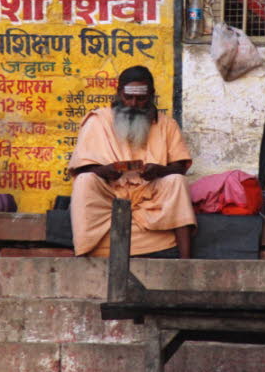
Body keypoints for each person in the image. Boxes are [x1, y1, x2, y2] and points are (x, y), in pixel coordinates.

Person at [68, 65, 196, 258]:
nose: (134, 103)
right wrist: (105, 171)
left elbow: (180, 167)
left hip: (150, 194)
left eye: (141, 98)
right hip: (109, 193)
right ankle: (86, 252)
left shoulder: (167, 125)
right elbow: (82, 167)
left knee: (177, 181)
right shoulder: (98, 120)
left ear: (151, 95)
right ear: (119, 93)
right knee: (85, 181)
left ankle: (186, 262)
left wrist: (159, 170)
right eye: (128, 97)